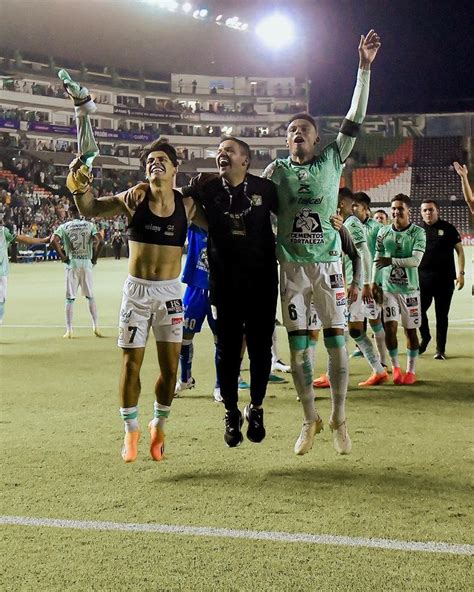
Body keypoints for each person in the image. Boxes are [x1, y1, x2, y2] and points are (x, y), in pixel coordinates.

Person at [263, 29, 381, 456]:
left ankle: (339, 418)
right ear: (287, 140)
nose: (298, 134)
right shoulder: (276, 171)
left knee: (336, 346)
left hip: (329, 264)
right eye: (292, 130)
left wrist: (363, 69)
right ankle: (308, 419)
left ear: (316, 139)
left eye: (304, 130)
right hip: (291, 268)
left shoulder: (333, 157)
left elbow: (355, 117)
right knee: (298, 354)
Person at [182, 137, 279, 448]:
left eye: (229, 151)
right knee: (226, 350)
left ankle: (257, 407)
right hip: (223, 283)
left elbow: (293, 217)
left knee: (261, 349)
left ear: (245, 160)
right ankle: (231, 412)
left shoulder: (265, 189)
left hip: (262, 282)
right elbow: (177, 202)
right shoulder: (206, 187)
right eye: (219, 151)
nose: (221, 154)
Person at [372, 194, 426, 385]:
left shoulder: (418, 233)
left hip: (410, 291)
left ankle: (411, 370)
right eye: (393, 208)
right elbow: (377, 259)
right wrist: (373, 283)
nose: (396, 212)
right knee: (390, 329)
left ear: (408, 210)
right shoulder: (383, 232)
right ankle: (395, 367)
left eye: (400, 208)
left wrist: (391, 261)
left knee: (411, 332)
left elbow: (415, 261)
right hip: (388, 290)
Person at [338, 188, 388, 387]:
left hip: (357, 286)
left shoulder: (351, 223)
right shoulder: (347, 223)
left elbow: (365, 253)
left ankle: (336, 374)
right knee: (354, 330)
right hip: (354, 284)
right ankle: (379, 369)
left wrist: (364, 283)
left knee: (343, 328)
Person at [175, 223, 222, 402]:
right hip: (195, 288)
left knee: (221, 339)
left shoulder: (223, 220)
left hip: (219, 289)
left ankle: (220, 385)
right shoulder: (194, 223)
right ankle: (185, 379)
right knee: (184, 336)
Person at [418, 199, 465, 359]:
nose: (428, 213)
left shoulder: (448, 228)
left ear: (437, 211)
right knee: (418, 311)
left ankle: (440, 350)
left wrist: (461, 273)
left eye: (431, 210)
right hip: (422, 279)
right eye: (425, 210)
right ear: (421, 213)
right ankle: (425, 337)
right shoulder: (417, 231)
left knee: (441, 315)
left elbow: (460, 251)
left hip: (444, 280)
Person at [51, 203, 103, 338]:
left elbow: (53, 240)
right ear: (81, 213)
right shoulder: (89, 225)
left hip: (72, 265)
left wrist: (63, 257)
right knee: (90, 297)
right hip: (86, 264)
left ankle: (69, 330)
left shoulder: (64, 227)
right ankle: (96, 326)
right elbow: (100, 241)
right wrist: (94, 258)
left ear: (70, 214)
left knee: (70, 299)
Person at [352, 191, 390, 371]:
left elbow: (381, 255)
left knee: (375, 323)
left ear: (366, 208)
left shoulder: (377, 228)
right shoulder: (348, 225)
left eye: (356, 206)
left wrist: (377, 282)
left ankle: (382, 360)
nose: (352, 209)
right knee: (352, 325)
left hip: (373, 283)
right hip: (354, 283)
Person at [0, 221, 49, 325]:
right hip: (1, 272)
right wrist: (42, 240)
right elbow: (22, 239)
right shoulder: (3, 232)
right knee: (1, 301)